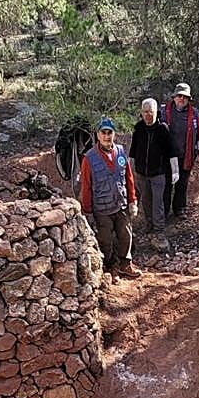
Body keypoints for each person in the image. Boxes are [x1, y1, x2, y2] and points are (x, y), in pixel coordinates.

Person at [80, 117, 142, 278]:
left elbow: (129, 178)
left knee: (125, 235)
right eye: (104, 132)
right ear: (98, 134)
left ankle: (125, 264)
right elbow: (86, 186)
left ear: (114, 134)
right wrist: (87, 211)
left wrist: (132, 200)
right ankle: (109, 267)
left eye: (110, 132)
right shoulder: (89, 158)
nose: (107, 136)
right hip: (102, 209)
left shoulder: (121, 152)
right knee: (105, 240)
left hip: (121, 205)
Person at [128, 98, 179, 233]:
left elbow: (171, 151)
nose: (148, 115)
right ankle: (149, 224)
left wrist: (175, 171)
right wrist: (128, 171)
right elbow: (133, 151)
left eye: (151, 112)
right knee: (146, 202)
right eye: (145, 112)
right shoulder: (138, 128)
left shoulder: (163, 129)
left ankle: (159, 230)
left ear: (156, 112)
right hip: (141, 173)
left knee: (158, 204)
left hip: (158, 174)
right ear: (141, 112)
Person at [160, 82, 199, 220]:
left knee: (182, 184)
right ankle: (164, 211)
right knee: (166, 185)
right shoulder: (164, 111)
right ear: (174, 97)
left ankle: (179, 209)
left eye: (185, 97)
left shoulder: (193, 113)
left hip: (186, 154)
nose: (181, 99)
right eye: (179, 96)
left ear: (188, 99)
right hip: (167, 156)